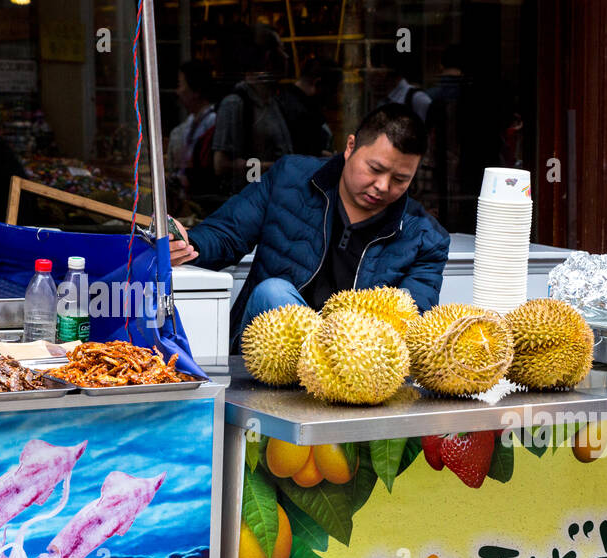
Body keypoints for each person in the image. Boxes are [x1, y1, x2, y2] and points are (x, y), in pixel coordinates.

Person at [172, 104, 451, 339]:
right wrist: (188, 244)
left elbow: (409, 323)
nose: (382, 185)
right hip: (267, 352)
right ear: (350, 147)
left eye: (400, 179)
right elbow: (227, 234)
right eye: (375, 169)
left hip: (353, 367)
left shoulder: (426, 238)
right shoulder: (290, 178)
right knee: (273, 291)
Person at [212, 25, 294, 192]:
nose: (287, 57)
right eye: (282, 50)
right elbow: (221, 165)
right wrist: (268, 168)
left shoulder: (275, 102)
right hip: (251, 205)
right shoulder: (235, 104)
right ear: (268, 57)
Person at [167, 60, 218, 201]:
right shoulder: (188, 124)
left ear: (196, 91)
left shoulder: (213, 122)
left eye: (180, 85)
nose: (178, 91)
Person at [277, 56, 336, 157]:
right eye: (331, 91)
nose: (333, 97)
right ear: (317, 82)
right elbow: (303, 150)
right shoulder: (300, 111)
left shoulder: (287, 101)